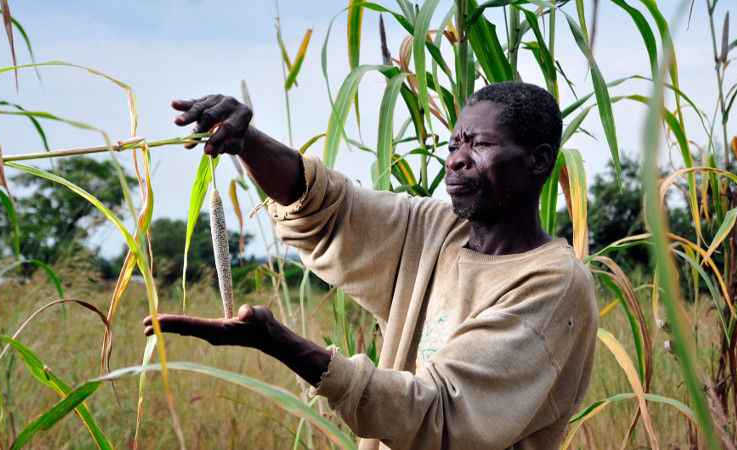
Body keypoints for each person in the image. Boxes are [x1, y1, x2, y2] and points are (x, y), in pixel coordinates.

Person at [143, 82, 598, 449]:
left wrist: (278, 342)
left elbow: (440, 416)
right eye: (454, 142)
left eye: (478, 144)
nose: (457, 159)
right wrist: (247, 142)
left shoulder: (553, 286)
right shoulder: (433, 229)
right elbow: (327, 211)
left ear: (538, 160)